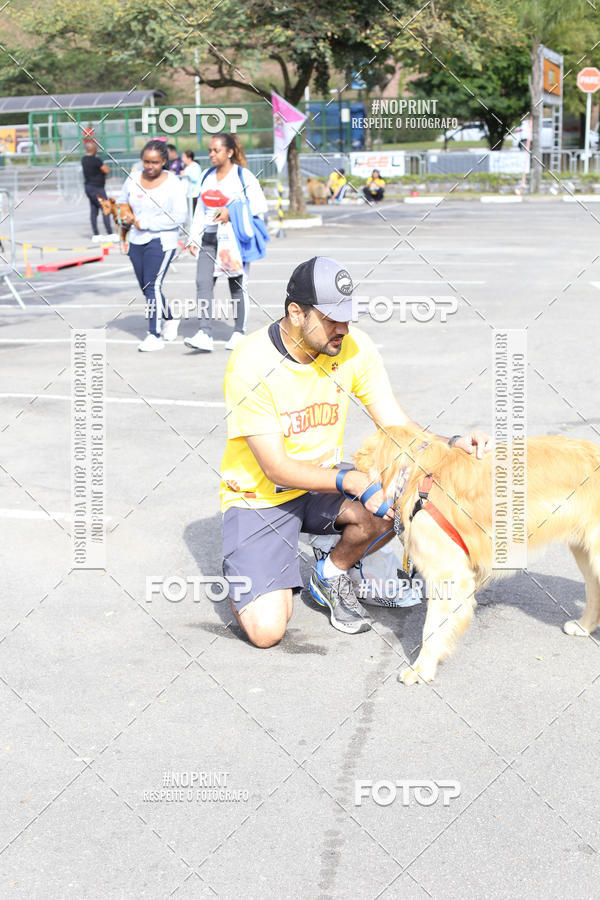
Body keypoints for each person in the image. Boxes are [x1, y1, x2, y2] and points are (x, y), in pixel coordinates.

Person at [220, 256, 492, 648]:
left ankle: (331, 571)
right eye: (331, 318)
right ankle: (249, 561)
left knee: (398, 497)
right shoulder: (251, 363)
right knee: (267, 631)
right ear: (296, 313)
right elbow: (277, 469)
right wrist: (353, 480)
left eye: (347, 316)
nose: (343, 328)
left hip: (321, 483)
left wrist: (450, 444)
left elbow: (394, 423)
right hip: (260, 498)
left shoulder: (352, 347)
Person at [185, 132, 268, 353]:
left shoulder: (243, 176)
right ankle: (204, 332)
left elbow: (260, 206)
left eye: (216, 150)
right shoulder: (206, 176)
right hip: (209, 238)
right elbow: (200, 210)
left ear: (229, 152)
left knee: (237, 286)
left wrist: (231, 212)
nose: (211, 154)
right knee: (203, 283)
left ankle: (239, 332)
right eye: (210, 150)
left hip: (233, 241)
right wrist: (193, 237)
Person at [117, 139, 188, 352]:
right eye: (146, 162)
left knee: (152, 286)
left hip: (162, 240)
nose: (150, 167)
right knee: (146, 287)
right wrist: (126, 215)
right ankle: (169, 316)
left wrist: (147, 223)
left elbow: (179, 217)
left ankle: (154, 334)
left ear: (164, 161)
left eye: (155, 162)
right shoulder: (132, 178)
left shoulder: (174, 183)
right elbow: (122, 201)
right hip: (136, 240)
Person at [81, 140, 113, 238]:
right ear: (94, 149)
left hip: (89, 187)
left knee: (94, 209)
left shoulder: (83, 159)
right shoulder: (96, 160)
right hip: (97, 188)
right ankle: (110, 233)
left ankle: (96, 233)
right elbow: (106, 170)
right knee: (105, 208)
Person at [180, 149, 202, 215]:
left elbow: (195, 178)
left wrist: (185, 174)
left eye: (183, 157)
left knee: (194, 214)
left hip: (194, 194)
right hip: (188, 194)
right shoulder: (187, 167)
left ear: (189, 158)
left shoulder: (195, 166)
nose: (182, 159)